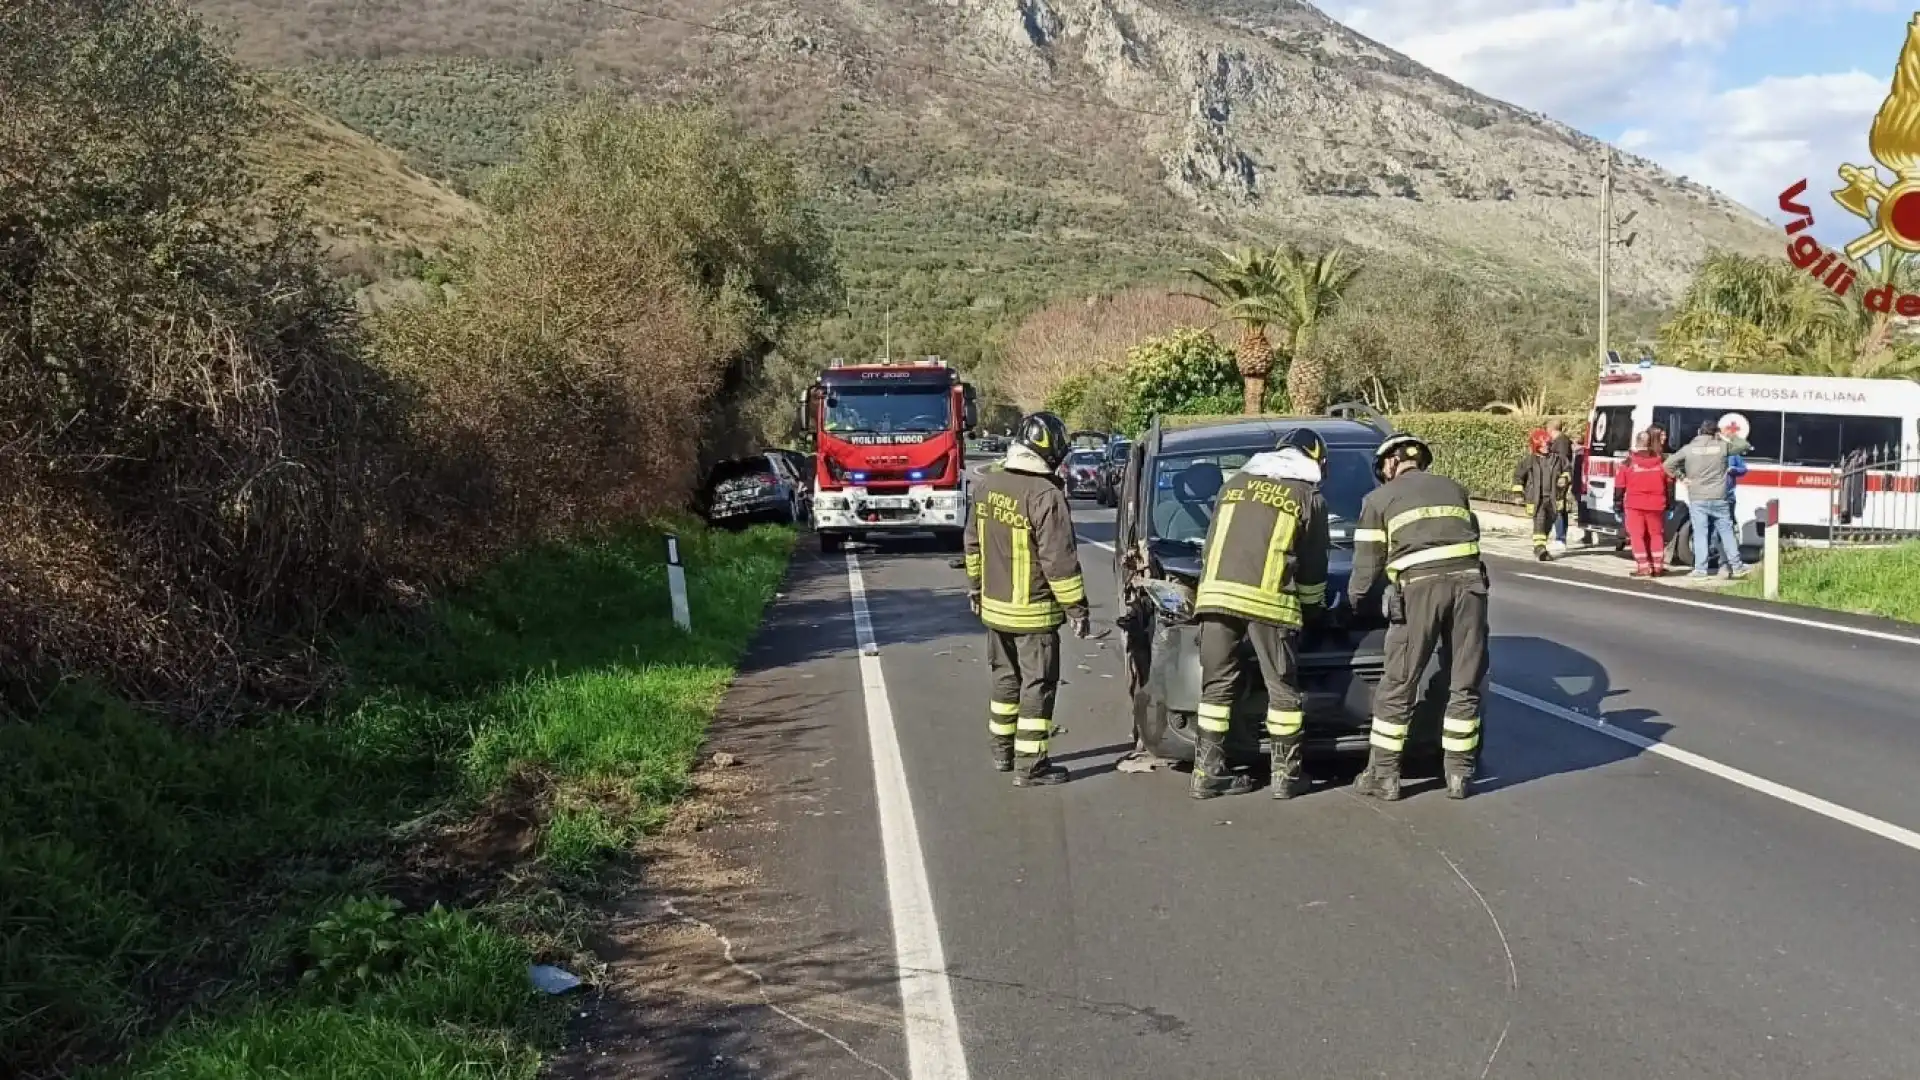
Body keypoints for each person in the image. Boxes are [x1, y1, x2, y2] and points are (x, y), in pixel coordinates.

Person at [1189, 428, 1332, 800]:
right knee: (1282, 690)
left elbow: (1212, 544)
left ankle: (1207, 773)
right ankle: (1286, 777)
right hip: (1269, 603)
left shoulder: (1234, 485)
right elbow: (1314, 568)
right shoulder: (1308, 495)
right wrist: (1315, 611)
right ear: (1314, 459)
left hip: (1215, 597)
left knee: (1216, 686)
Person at [1348, 434, 1490, 801]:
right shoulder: (1455, 489)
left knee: (1398, 684)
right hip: (1470, 588)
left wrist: (1353, 604)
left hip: (1419, 591)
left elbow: (1366, 567)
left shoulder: (1377, 500)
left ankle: (1384, 776)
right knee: (1464, 680)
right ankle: (1459, 775)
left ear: (1390, 464)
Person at [965, 410, 1092, 787]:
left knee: (1005, 680)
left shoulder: (987, 485)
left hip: (994, 609)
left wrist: (975, 589)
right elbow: (1060, 562)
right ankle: (1031, 766)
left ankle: (1002, 753)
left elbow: (972, 545)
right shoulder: (1045, 495)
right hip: (1032, 613)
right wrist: (1077, 609)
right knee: (1038, 684)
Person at [1664, 420, 1749, 580]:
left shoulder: (1689, 449)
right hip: (1719, 497)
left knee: (1701, 533)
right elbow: (1743, 445)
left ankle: (1700, 570)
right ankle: (1737, 566)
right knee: (1727, 532)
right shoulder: (1722, 447)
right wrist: (1727, 435)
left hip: (1697, 497)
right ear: (1715, 432)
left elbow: (1668, 464)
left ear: (1699, 431)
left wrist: (1682, 477)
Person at [1613, 429, 1671, 576]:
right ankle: (1657, 566)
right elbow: (1670, 483)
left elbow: (1619, 486)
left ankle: (1643, 566)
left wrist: (1617, 503)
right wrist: (1669, 502)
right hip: (1657, 504)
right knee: (1656, 534)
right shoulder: (1661, 461)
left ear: (1636, 443)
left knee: (1636, 536)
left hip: (1635, 504)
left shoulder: (1628, 463)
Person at [1512, 428, 1571, 562]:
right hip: (1536, 499)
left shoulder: (1558, 459)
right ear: (1536, 446)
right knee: (1539, 522)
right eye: (1543, 445)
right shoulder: (1529, 461)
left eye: (1548, 445)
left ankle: (1540, 544)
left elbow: (1568, 470)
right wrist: (1518, 494)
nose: (1546, 448)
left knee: (1548, 524)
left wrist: (1565, 478)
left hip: (1554, 498)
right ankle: (1540, 549)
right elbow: (1518, 478)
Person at [1546, 419, 1577, 548]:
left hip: (1559, 480)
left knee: (1557, 508)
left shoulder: (1562, 442)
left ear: (1550, 429)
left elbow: (1562, 461)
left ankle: (1560, 538)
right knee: (1559, 508)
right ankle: (1560, 538)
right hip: (1558, 478)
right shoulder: (1560, 441)